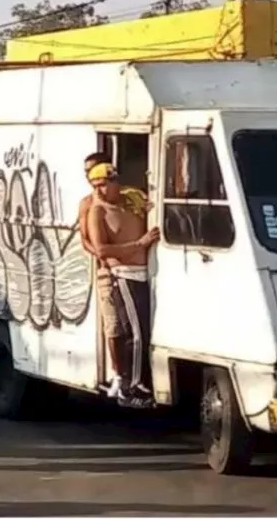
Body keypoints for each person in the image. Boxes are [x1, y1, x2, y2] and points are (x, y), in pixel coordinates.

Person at [85, 162, 159, 407]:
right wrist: (140, 244)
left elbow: (152, 208)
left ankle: (138, 381)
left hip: (145, 273)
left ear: (115, 182)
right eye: (95, 186)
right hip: (123, 275)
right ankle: (132, 386)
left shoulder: (132, 199)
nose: (99, 191)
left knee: (144, 331)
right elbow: (101, 249)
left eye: (103, 185)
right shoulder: (97, 211)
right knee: (136, 333)